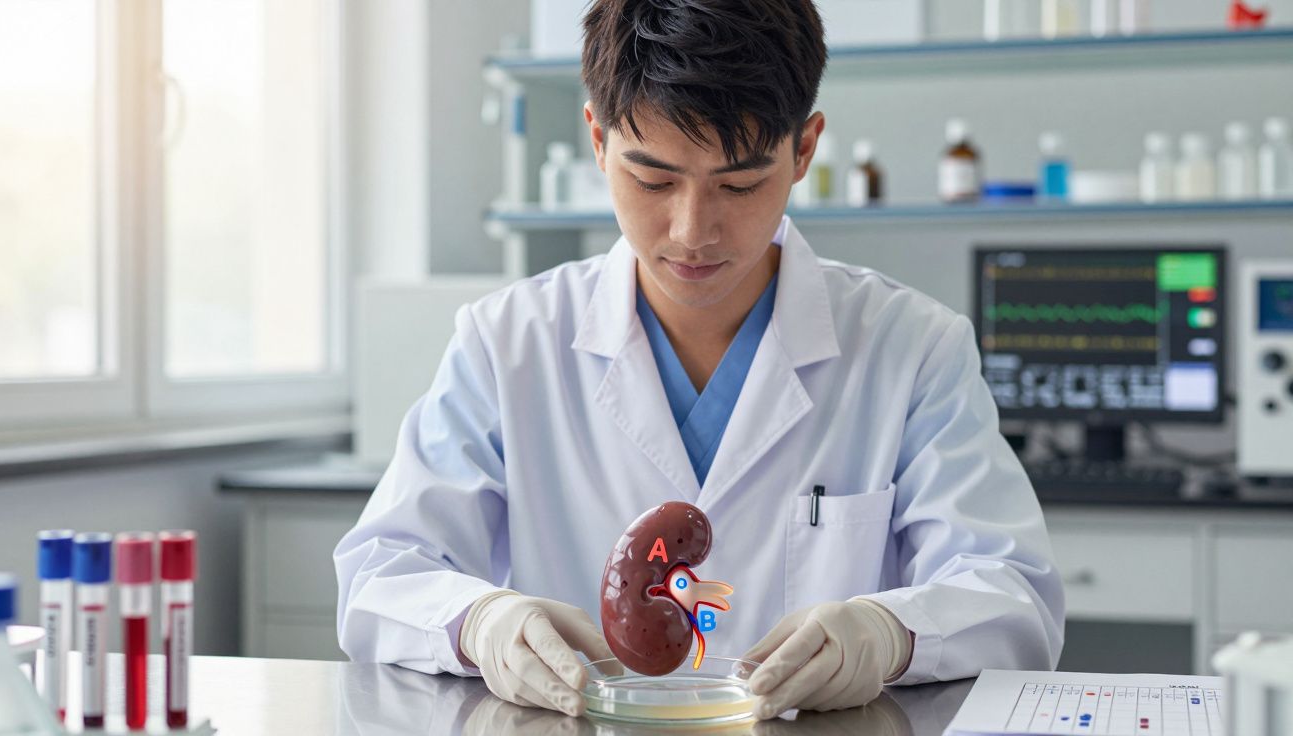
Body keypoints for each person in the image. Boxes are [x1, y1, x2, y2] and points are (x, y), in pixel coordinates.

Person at [335, 0, 1064, 721]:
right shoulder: (508, 342)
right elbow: (380, 576)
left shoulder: (911, 347)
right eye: (653, 179)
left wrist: (891, 634)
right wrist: (479, 623)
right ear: (596, 139)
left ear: (804, 149)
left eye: (739, 185)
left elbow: (1012, 593)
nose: (691, 231)